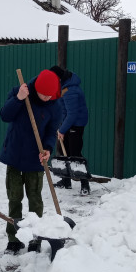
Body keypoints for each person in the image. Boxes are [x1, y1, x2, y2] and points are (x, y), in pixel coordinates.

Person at [0, 69, 63, 254]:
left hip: (36, 160)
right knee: (14, 199)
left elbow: (51, 132)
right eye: (43, 94)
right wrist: (18, 98)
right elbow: (5, 115)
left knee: (35, 200)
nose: (46, 98)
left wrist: (48, 149)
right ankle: (14, 239)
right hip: (15, 156)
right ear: (36, 89)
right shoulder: (21, 92)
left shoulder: (56, 105)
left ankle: (36, 237)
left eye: (50, 95)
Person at [50, 66, 91, 196]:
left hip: (76, 124)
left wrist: (62, 130)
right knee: (64, 151)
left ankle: (85, 185)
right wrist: (61, 124)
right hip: (68, 123)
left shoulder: (70, 91)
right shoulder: (64, 85)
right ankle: (66, 181)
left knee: (75, 154)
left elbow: (72, 114)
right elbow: (64, 109)